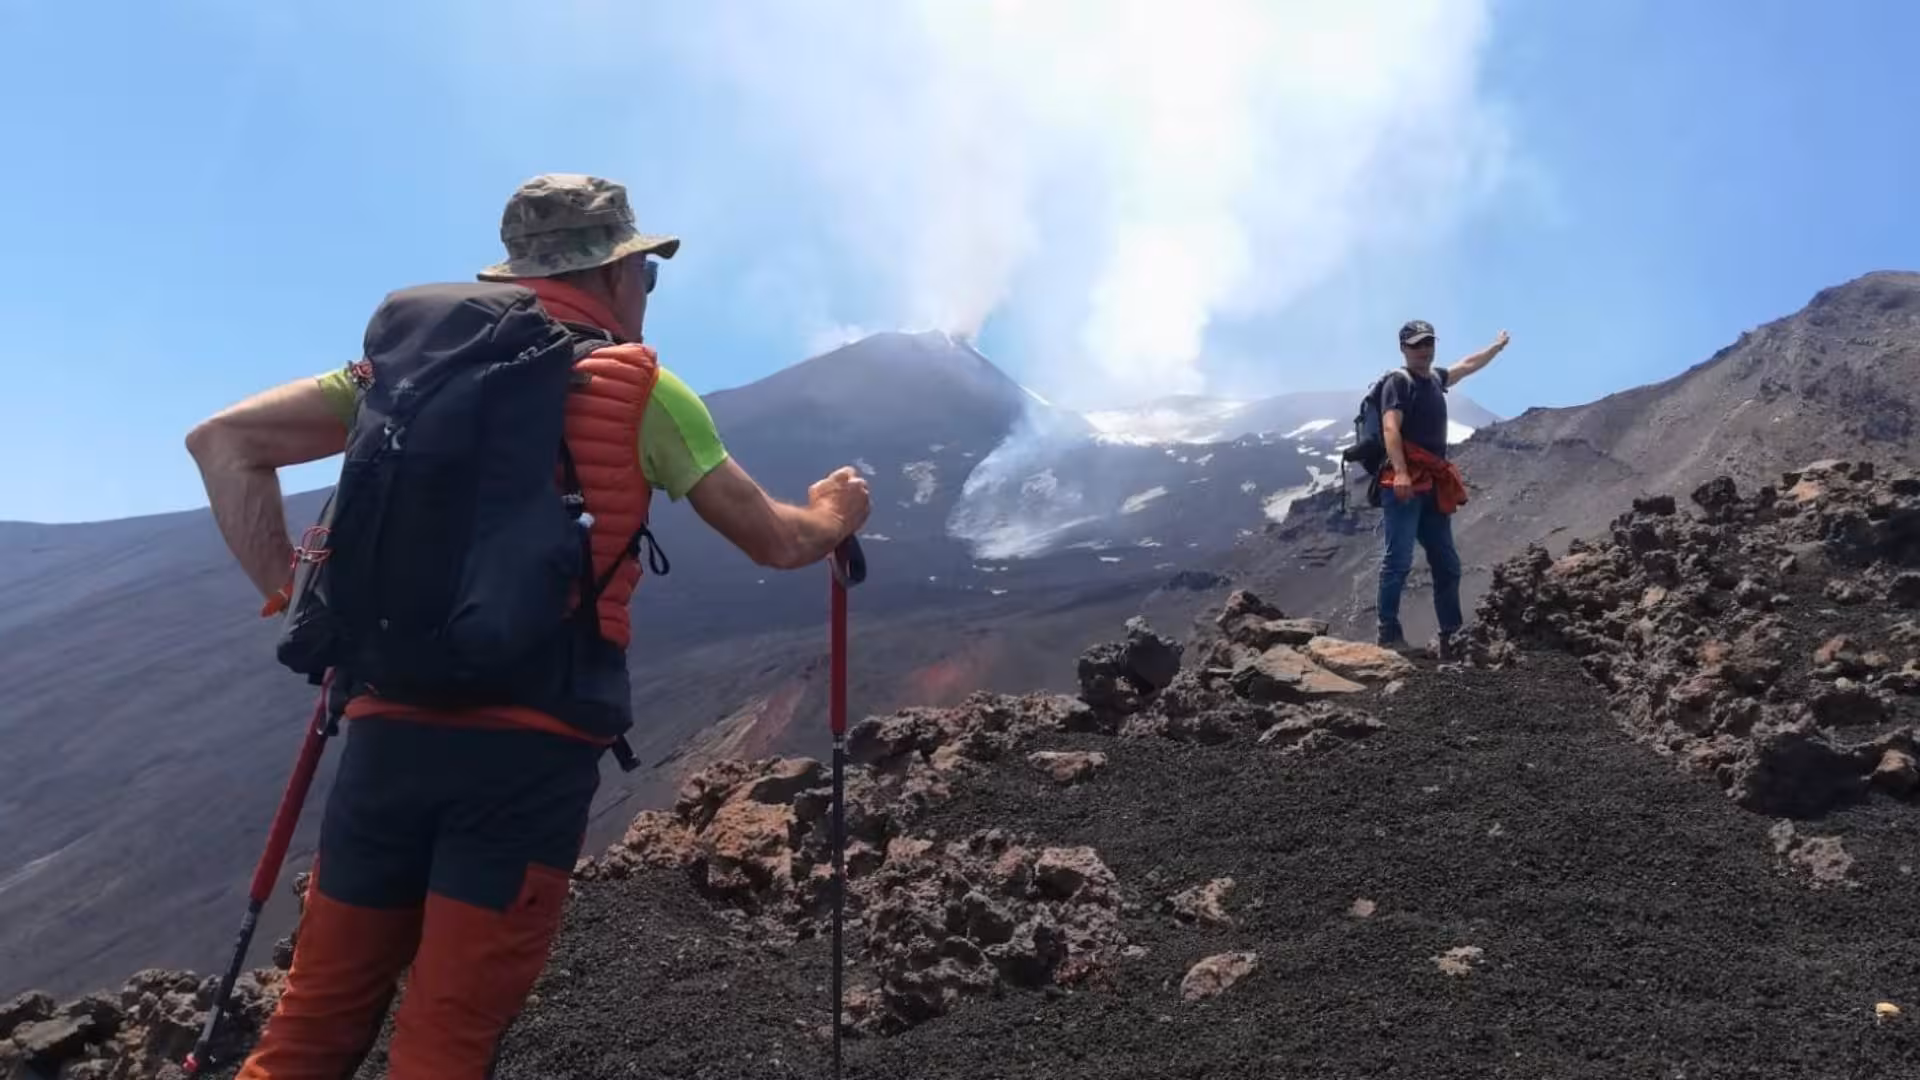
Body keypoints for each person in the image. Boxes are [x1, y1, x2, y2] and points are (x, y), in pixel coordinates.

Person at [185, 173, 872, 1079]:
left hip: (386, 734)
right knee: (447, 1039)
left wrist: (300, 598)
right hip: (525, 753)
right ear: (615, 274)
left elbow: (223, 442)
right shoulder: (645, 391)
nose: (645, 296)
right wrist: (835, 512)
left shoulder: (397, 373)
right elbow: (776, 541)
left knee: (312, 1024)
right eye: (645, 275)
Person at [1375, 318, 1509, 657]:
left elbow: (1466, 365)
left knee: (1446, 563)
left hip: (1433, 486)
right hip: (1404, 484)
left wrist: (1495, 347)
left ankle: (1451, 636)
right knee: (1398, 560)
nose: (1424, 349)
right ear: (1403, 348)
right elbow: (1391, 428)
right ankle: (1388, 634)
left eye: (1428, 343)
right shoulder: (1398, 382)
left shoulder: (1435, 379)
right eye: (1417, 344)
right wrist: (1402, 472)